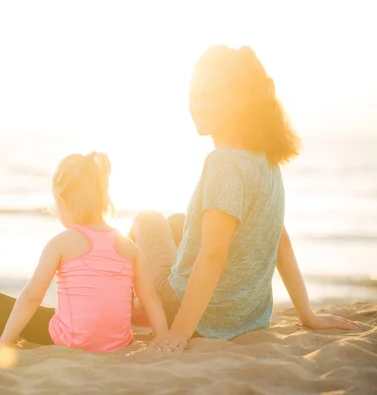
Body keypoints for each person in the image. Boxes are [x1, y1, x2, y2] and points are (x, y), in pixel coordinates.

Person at [130, 45, 359, 351]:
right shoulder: (267, 161)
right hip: (248, 319)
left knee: (148, 219)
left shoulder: (223, 163)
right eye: (194, 96)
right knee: (176, 223)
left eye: (209, 97)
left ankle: (124, 301)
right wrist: (308, 315)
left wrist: (181, 332)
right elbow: (281, 242)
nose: (198, 106)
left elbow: (214, 254)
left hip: (190, 313)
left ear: (238, 102)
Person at [0, 152, 174, 353]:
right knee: (63, 313)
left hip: (70, 340)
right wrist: (162, 334)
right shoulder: (130, 248)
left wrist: (5, 341)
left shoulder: (61, 243)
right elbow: (150, 297)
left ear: (63, 202)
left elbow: (31, 296)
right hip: (119, 343)